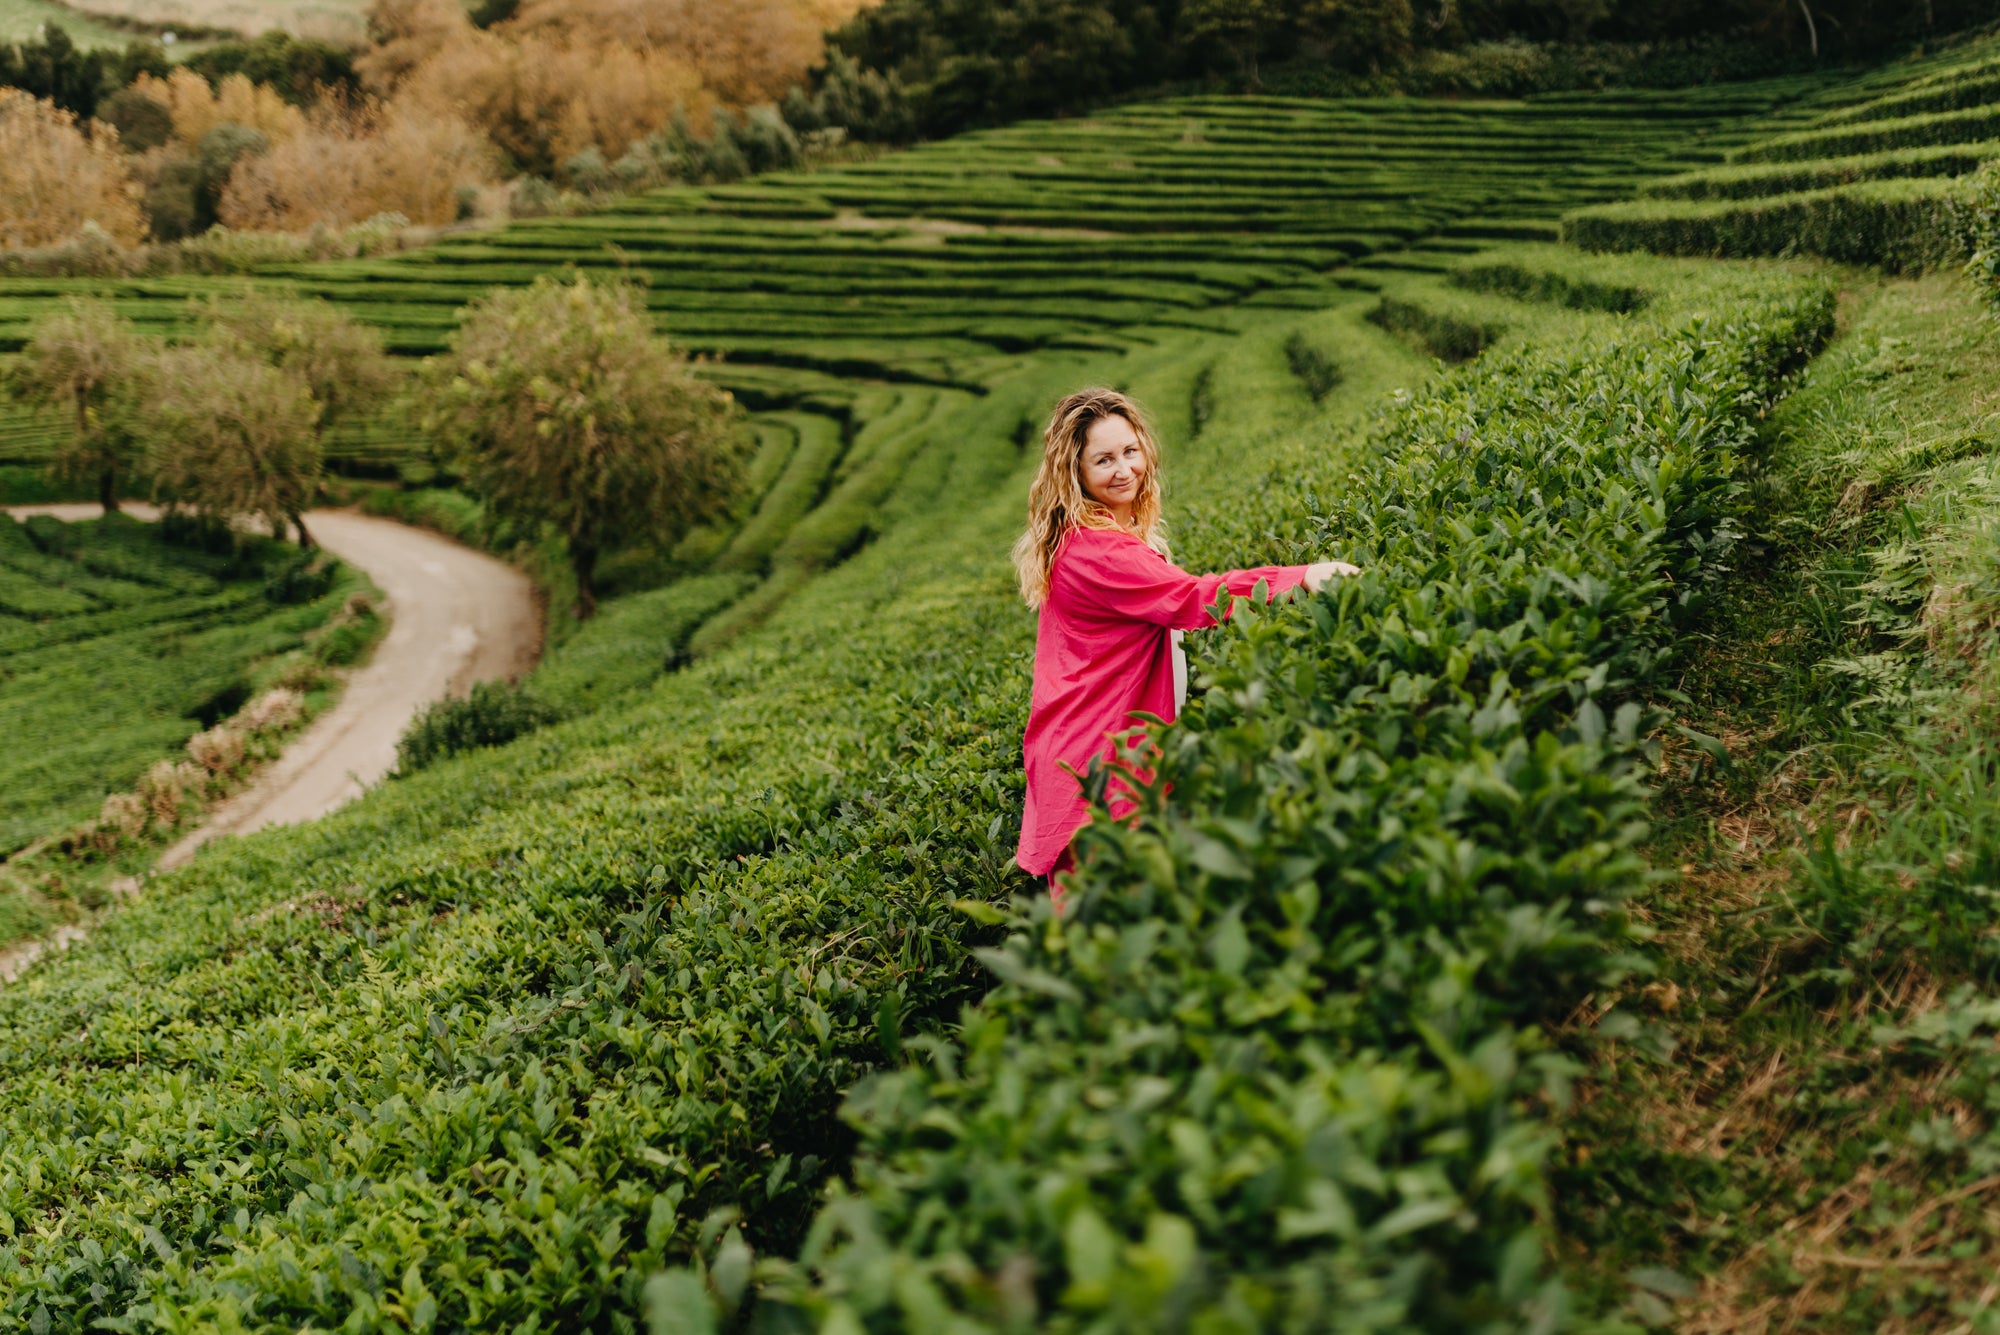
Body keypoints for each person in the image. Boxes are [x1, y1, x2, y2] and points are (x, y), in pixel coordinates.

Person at [1011, 386, 1358, 905]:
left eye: (1130, 451)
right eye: (1103, 460)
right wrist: (1301, 576)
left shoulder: (1090, 537)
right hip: (1096, 758)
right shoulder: (1099, 552)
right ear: (1075, 472)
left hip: (1088, 749)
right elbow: (1191, 599)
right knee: (1108, 922)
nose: (1124, 469)